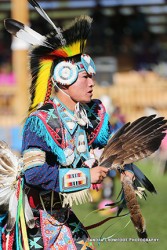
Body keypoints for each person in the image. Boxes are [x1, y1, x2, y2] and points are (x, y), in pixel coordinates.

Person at [1, 1, 145, 249]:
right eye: (85, 77)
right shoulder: (41, 122)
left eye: (92, 77)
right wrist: (85, 176)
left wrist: (125, 165)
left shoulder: (93, 114)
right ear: (63, 78)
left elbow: (107, 146)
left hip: (61, 215)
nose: (92, 83)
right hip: (34, 220)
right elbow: (35, 175)